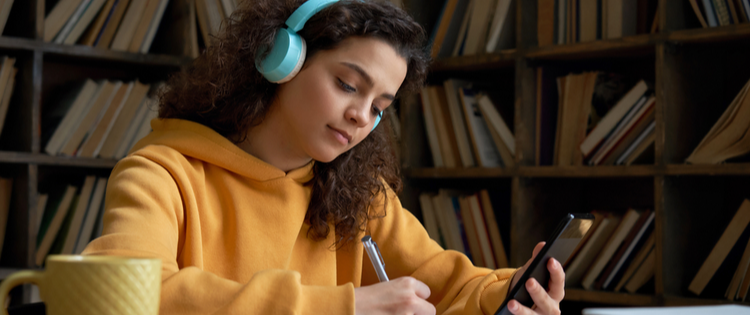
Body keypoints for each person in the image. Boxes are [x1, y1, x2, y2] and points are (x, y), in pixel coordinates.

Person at [83, 0, 566, 314]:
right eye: (347, 85)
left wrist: (510, 295)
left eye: (380, 107)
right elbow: (120, 296)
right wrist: (344, 308)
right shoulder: (162, 174)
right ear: (283, 61)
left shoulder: (359, 196)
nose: (360, 116)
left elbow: (452, 285)